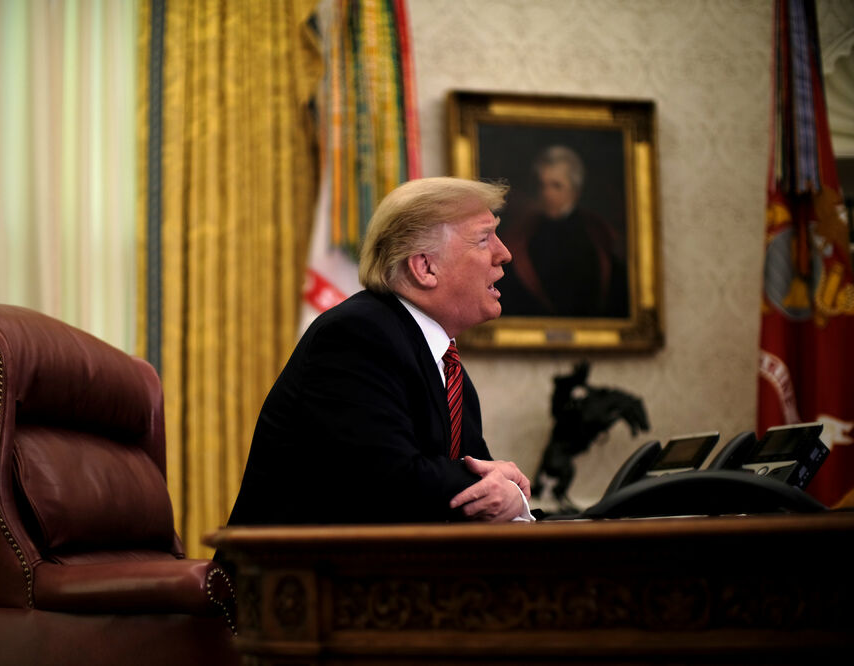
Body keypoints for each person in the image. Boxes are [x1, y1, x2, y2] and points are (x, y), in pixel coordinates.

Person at [225, 177, 533, 526]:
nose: (504, 253)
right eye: (483, 239)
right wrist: (505, 490)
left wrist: (510, 498)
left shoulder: (445, 364)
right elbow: (392, 481)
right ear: (425, 267)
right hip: (294, 575)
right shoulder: (356, 337)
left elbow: (475, 496)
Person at [498, 145, 629, 318]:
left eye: (556, 186)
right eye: (543, 185)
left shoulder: (598, 234)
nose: (547, 193)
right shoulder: (522, 234)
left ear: (575, 191)